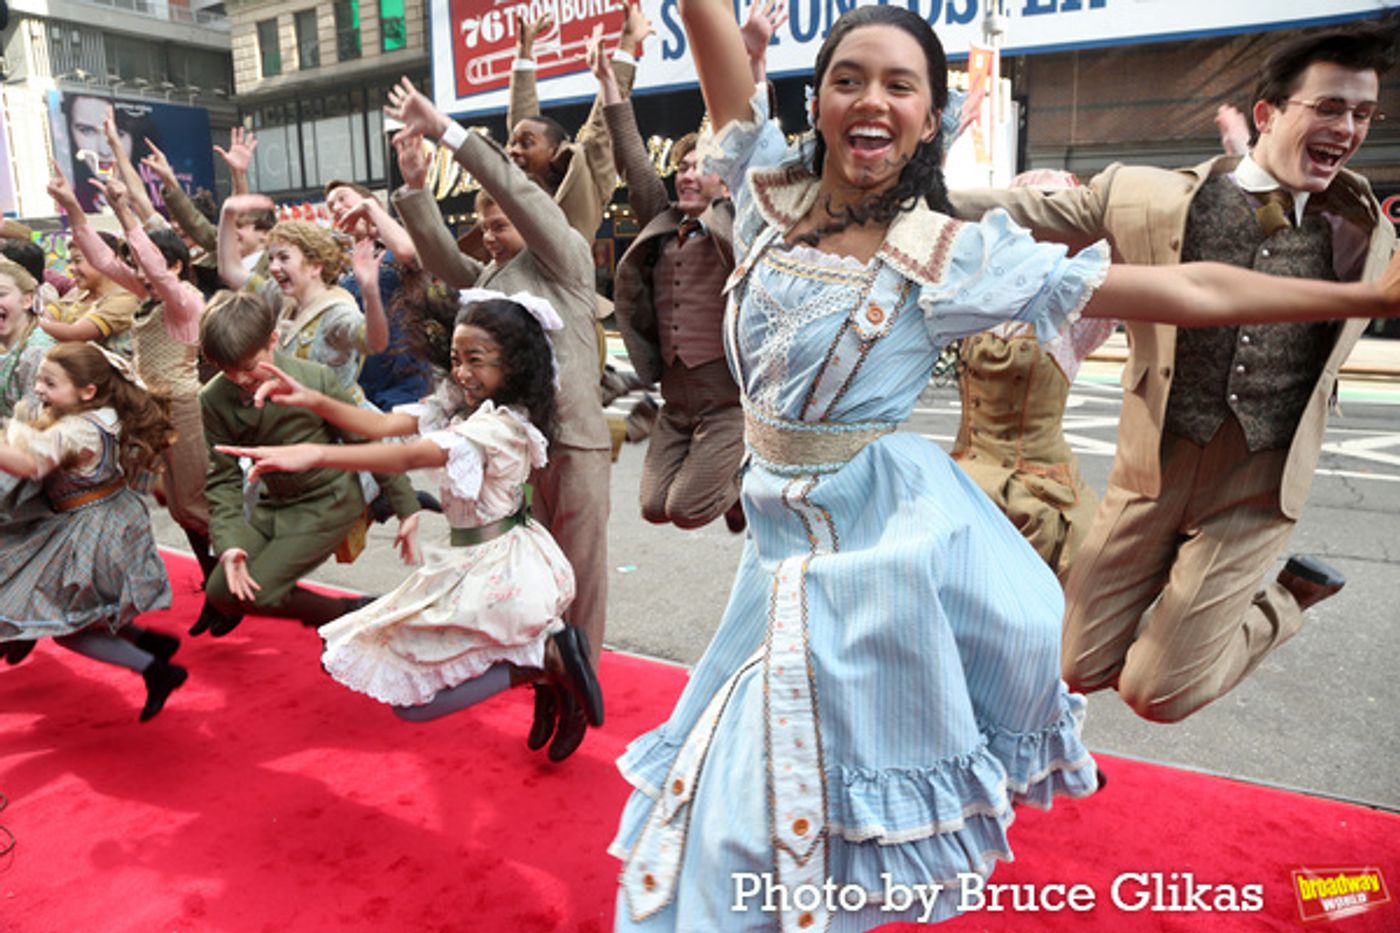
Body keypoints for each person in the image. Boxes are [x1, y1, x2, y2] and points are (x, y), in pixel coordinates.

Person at [610, 3, 1400, 929]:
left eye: (901, 85)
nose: (873, 100)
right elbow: (708, 27)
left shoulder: (953, 256)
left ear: (931, 117)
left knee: (761, 808)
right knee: (749, 798)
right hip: (772, 556)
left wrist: (1362, 295)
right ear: (816, 98)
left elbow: (1188, 289)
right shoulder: (762, 188)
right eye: (849, 77)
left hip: (867, 571)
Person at [951, 23, 1398, 725]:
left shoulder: (1373, 234)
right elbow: (1021, 212)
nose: (1348, 128)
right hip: (1149, 471)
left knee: (1157, 693)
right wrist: (892, 198)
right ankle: (1194, 615)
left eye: (1364, 114)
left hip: (1255, 483)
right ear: (1267, 113)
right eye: (1330, 107)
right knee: (1074, 663)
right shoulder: (1144, 194)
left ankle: (1284, 594)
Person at [215, 291, 605, 761]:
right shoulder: (459, 404)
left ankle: (548, 661)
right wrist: (313, 400)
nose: (461, 372)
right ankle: (547, 673)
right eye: (456, 358)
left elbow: (406, 454)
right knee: (416, 690)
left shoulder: (500, 428)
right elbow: (381, 427)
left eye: (475, 360)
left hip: (499, 567)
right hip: (470, 560)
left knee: (417, 706)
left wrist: (317, 453)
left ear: (516, 364)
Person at [386, 78, 613, 753]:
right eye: (482, 223)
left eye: (501, 221)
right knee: (529, 583)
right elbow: (439, 263)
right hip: (513, 451)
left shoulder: (567, 260)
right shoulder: (487, 287)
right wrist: (416, 189)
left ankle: (580, 688)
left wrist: (448, 131)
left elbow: (518, 191)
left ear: (533, 217)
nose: (489, 232)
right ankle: (547, 681)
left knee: (580, 576)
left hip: (573, 443)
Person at [197, 289, 420, 635]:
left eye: (247, 367)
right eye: (225, 370)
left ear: (273, 341)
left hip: (328, 501)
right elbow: (222, 478)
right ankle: (345, 613)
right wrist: (230, 546)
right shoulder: (214, 398)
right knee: (220, 593)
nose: (238, 379)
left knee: (262, 591)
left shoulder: (314, 378)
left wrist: (406, 506)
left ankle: (348, 612)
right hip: (272, 504)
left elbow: (365, 441)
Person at [594, 34, 745, 533]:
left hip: (727, 404)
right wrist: (612, 93)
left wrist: (754, 58)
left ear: (725, 179)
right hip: (675, 401)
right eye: (681, 166)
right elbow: (635, 162)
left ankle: (747, 477)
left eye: (700, 166)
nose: (686, 174)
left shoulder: (739, 223)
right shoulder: (661, 225)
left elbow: (751, 142)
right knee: (654, 507)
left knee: (686, 510)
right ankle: (733, 481)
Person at [0, 342, 186, 720]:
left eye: (50, 383)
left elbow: (29, 465)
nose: (38, 389)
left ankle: (157, 670)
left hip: (92, 528)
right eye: (39, 380)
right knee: (87, 609)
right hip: (109, 518)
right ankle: (147, 641)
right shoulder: (101, 413)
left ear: (86, 391)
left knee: (71, 627)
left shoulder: (77, 431)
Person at [48, 167, 216, 584]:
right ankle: (216, 583)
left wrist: (125, 212)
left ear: (176, 265)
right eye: (133, 266)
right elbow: (104, 259)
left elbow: (154, 271)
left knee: (194, 505)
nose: (137, 274)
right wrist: (72, 207)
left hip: (183, 409)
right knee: (178, 508)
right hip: (152, 411)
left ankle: (232, 578)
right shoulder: (148, 294)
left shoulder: (183, 299)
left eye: (144, 265)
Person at [949, 169, 1115, 580]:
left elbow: (1142, 251)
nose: (1044, 234)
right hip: (961, 484)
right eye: (1035, 218)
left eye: (1059, 222)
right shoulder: (974, 295)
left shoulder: (1079, 312)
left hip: (1040, 503)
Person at [0, 260, 57, 420]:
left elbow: (33, 422)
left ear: (27, 300)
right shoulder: (10, 345)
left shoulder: (37, 351)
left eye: (1, 294)